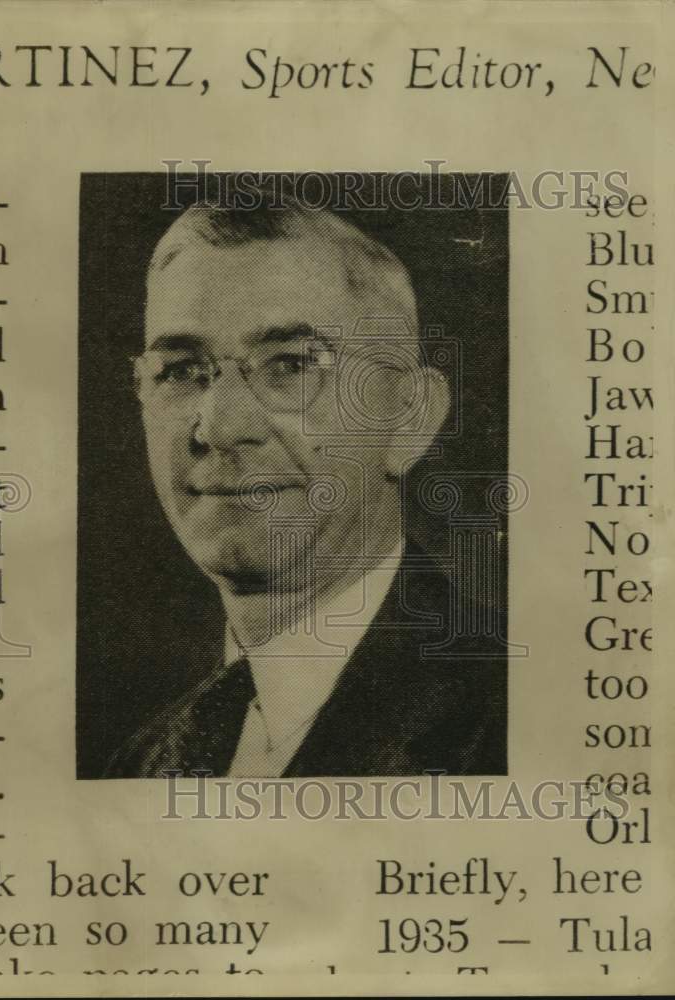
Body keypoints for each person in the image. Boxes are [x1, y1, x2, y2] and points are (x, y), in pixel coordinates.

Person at [106, 196, 506, 778]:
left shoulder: (518, 719)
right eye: (181, 371)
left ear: (410, 417)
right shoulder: (140, 762)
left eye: (291, 365)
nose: (219, 427)